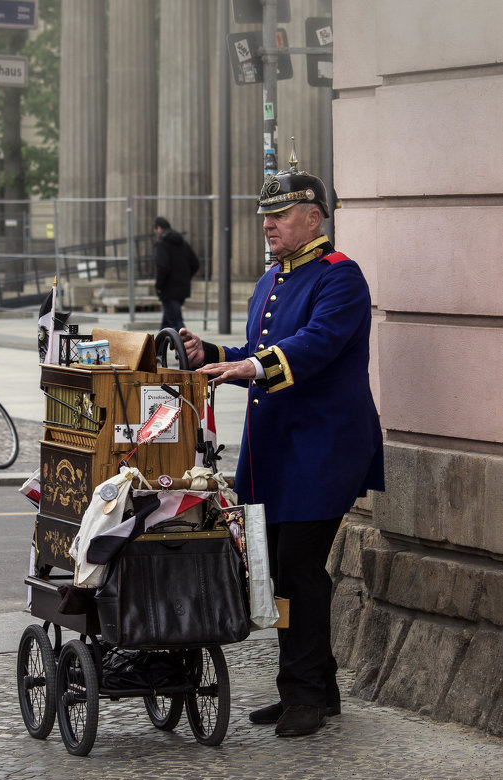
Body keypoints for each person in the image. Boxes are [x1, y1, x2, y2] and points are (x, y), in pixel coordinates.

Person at [180, 144, 384, 738]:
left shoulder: (340, 275)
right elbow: (256, 351)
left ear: (313, 218)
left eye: (280, 215)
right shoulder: (272, 278)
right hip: (274, 453)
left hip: (323, 451)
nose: (268, 225)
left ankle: (305, 696)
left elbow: (315, 344)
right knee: (274, 571)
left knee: (299, 568)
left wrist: (250, 366)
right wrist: (212, 353)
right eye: (265, 216)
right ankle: (316, 686)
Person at [153, 216, 199, 331]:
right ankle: (159, 342)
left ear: (159, 228)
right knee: (167, 322)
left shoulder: (162, 243)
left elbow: (162, 267)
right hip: (182, 287)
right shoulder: (183, 243)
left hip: (168, 288)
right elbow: (195, 263)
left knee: (177, 323)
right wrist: (185, 277)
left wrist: (159, 286)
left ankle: (187, 342)